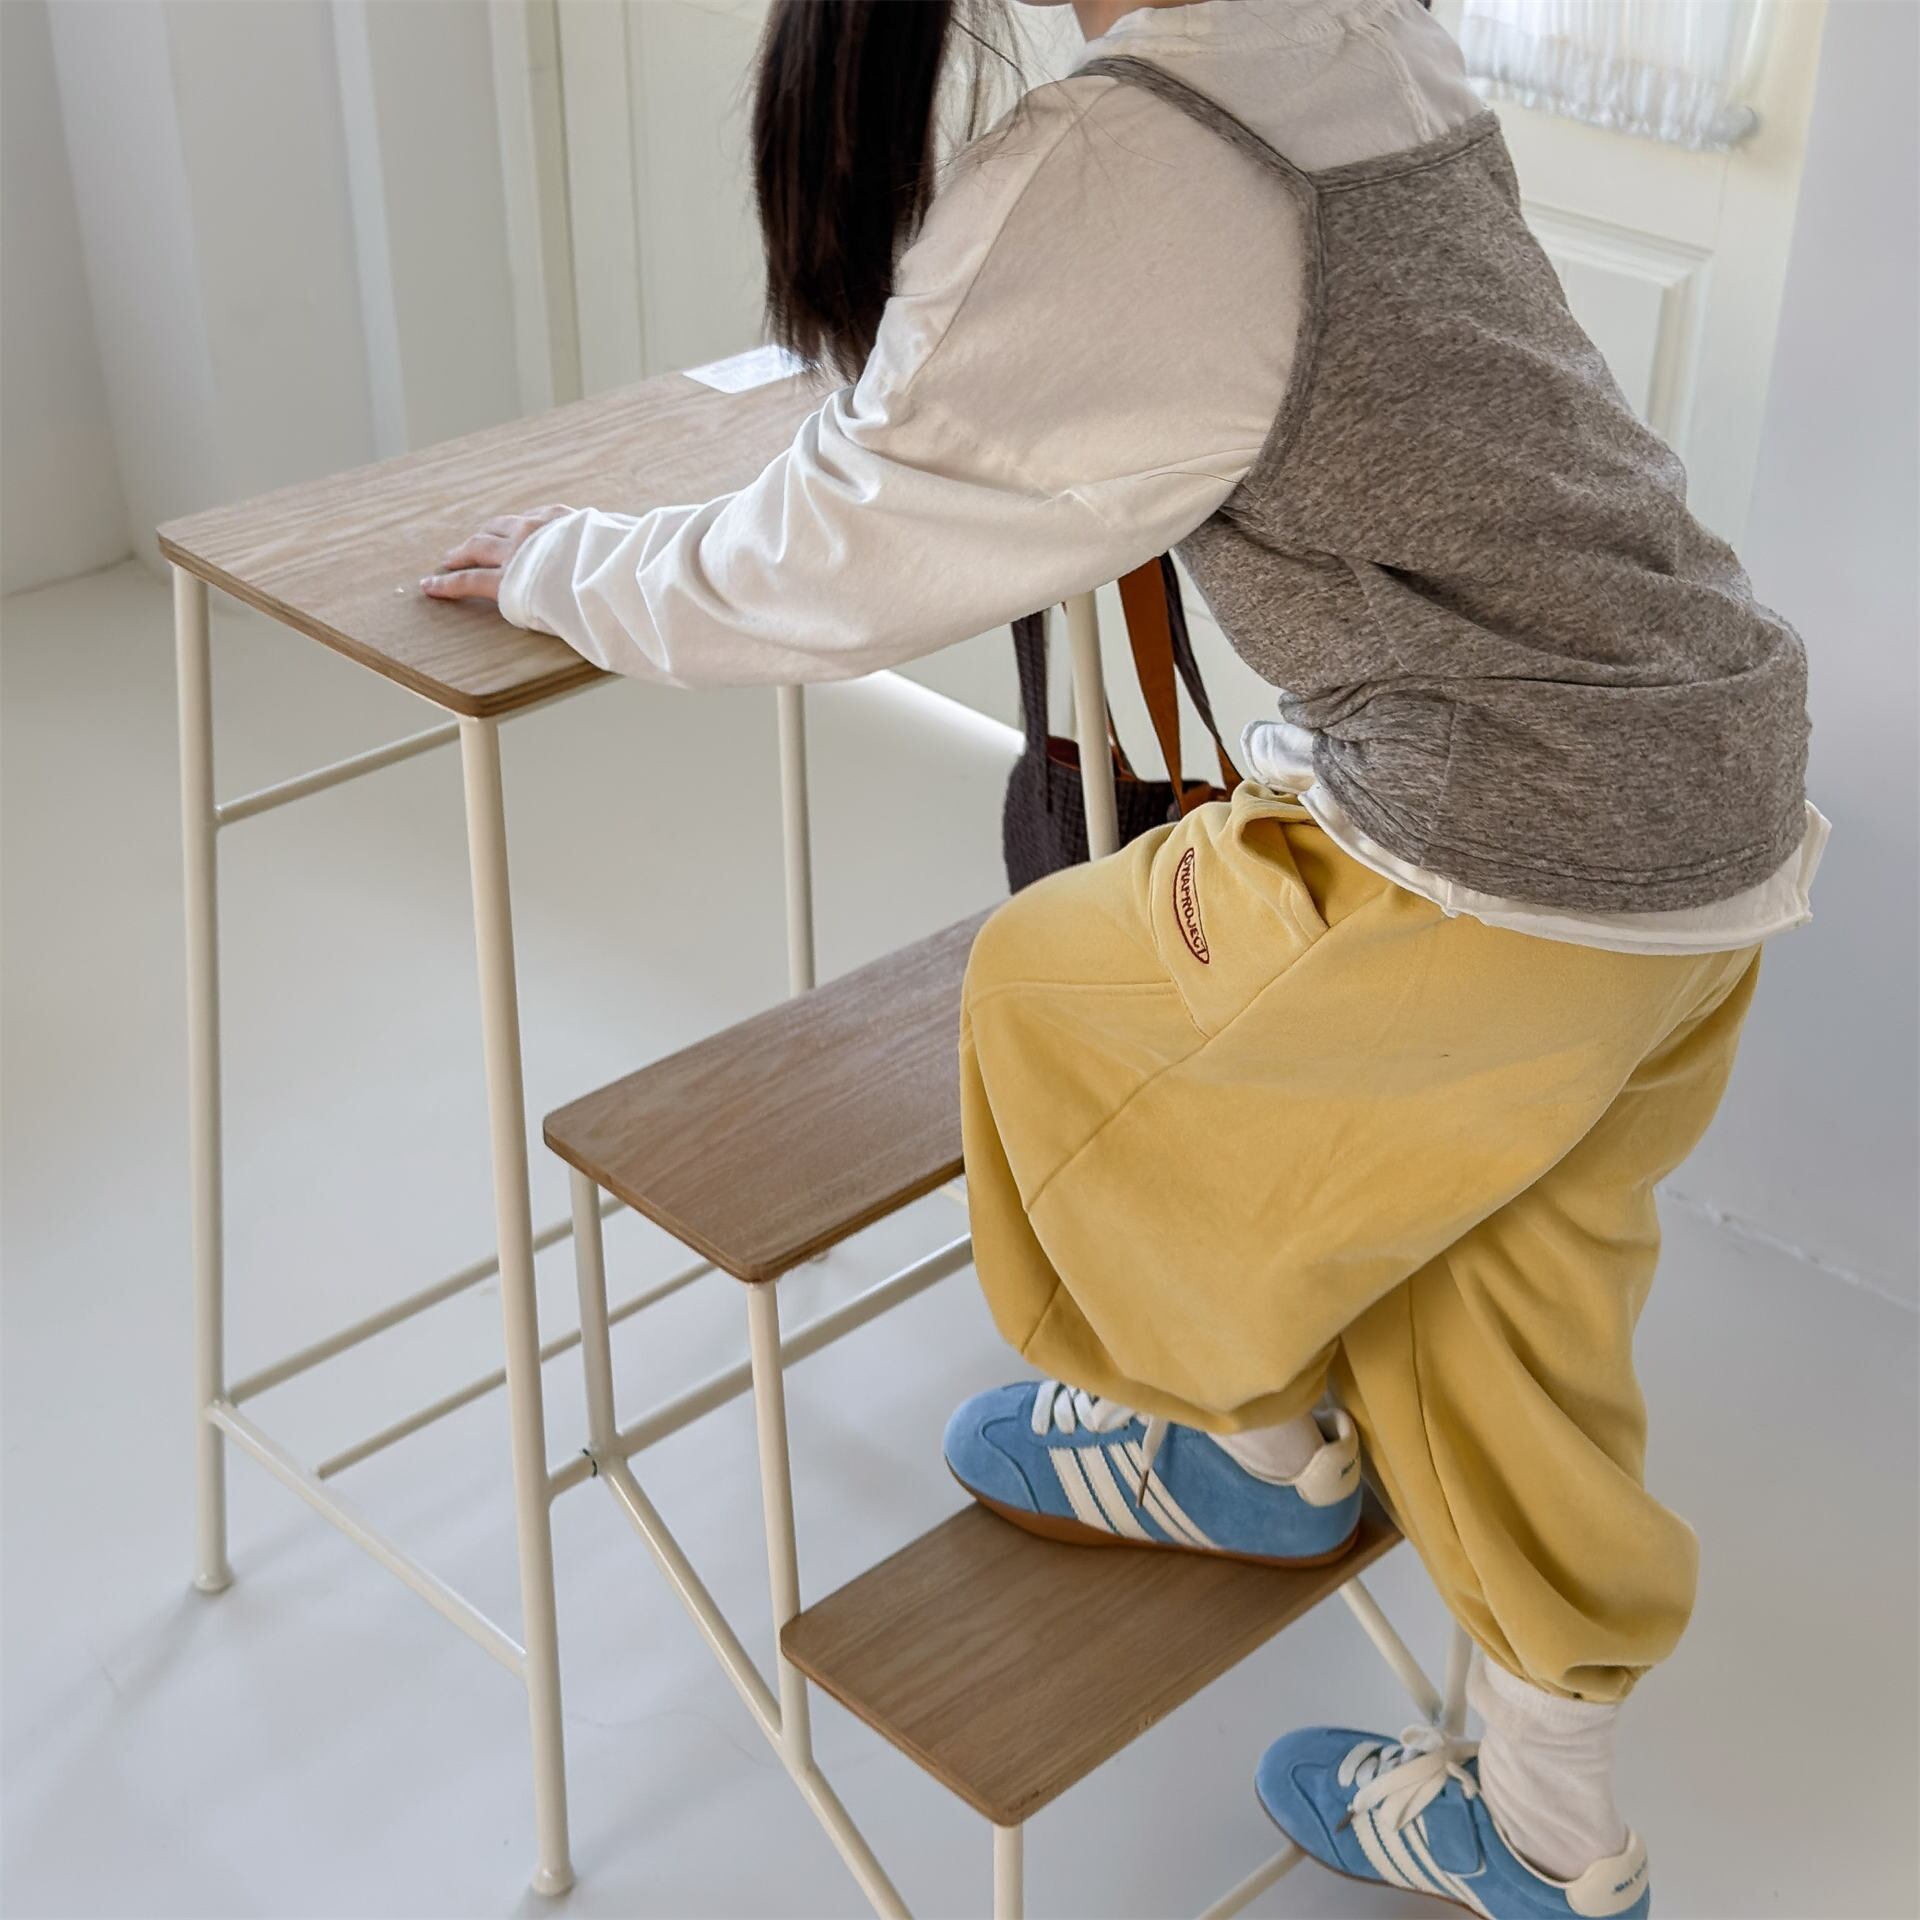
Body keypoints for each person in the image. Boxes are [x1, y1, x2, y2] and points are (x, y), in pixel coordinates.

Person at [424, 2, 1824, 1913]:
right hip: (1713, 800)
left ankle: (1239, 1443)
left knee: (1052, 986)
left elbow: (833, 557)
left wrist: (565, 566)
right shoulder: (1368, 28)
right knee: (1508, 1288)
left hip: (1501, 837)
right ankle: (1555, 1831)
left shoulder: (1125, 155)